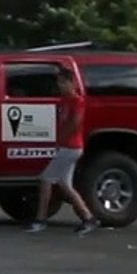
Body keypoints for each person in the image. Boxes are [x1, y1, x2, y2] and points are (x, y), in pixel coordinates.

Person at [26, 67, 100, 235]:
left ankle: (40, 219)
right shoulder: (64, 100)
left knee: (46, 179)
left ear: (72, 82)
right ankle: (88, 218)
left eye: (63, 82)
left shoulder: (77, 101)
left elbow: (75, 123)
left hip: (71, 147)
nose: (60, 85)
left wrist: (61, 139)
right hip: (66, 147)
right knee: (65, 185)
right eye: (59, 82)